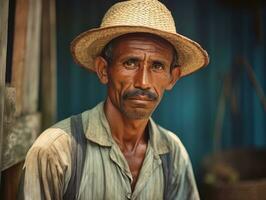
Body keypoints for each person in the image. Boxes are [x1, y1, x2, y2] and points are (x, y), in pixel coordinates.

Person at [20, 0, 209, 199]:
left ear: (173, 78)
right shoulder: (55, 152)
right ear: (103, 70)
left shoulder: (173, 154)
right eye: (130, 63)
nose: (143, 82)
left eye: (157, 66)